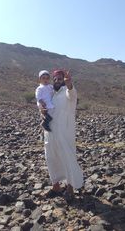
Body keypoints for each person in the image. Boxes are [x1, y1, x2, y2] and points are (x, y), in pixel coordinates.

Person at [44, 69, 83, 202]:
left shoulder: (68, 93)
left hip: (65, 133)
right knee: (51, 158)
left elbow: (72, 94)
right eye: (55, 79)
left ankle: (70, 188)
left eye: (59, 79)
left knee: (67, 159)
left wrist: (69, 84)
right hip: (50, 133)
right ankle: (56, 187)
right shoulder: (51, 94)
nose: (57, 81)